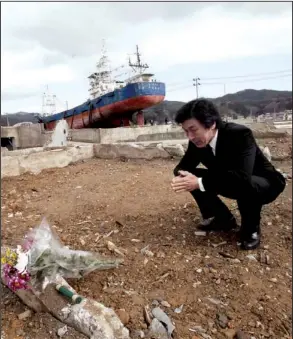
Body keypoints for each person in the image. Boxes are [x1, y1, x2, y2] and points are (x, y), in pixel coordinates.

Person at [171, 99, 286, 250]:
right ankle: (223, 218)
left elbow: (242, 177)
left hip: (264, 183)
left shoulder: (240, 134)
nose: (190, 137)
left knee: (245, 184)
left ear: (211, 124)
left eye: (193, 129)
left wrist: (199, 182)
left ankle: (251, 228)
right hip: (230, 179)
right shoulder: (197, 142)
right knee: (190, 176)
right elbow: (183, 166)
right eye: (186, 131)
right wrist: (183, 175)